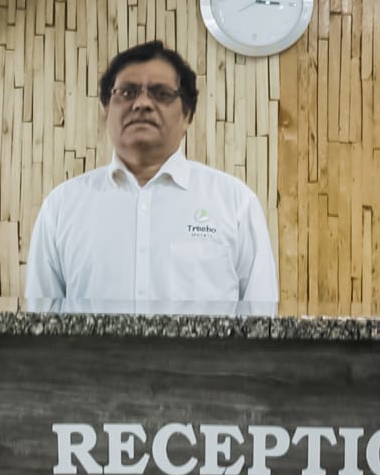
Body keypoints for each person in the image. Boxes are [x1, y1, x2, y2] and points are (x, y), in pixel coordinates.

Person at [24, 40, 277, 309]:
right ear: (106, 109)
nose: (142, 103)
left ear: (187, 115)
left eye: (161, 93)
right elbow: (41, 319)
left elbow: (260, 319)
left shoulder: (234, 203)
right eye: (127, 92)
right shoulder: (62, 206)